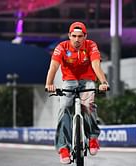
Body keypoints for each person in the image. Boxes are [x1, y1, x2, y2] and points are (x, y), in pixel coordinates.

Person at [45, 21, 109, 164]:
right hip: (69, 80)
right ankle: (63, 148)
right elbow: (54, 66)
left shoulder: (91, 45)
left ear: (85, 36)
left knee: (88, 104)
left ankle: (92, 138)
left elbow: (96, 64)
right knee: (64, 108)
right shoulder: (61, 47)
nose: (77, 40)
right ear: (69, 35)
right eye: (74, 36)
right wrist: (49, 83)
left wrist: (103, 82)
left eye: (80, 36)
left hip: (87, 79)